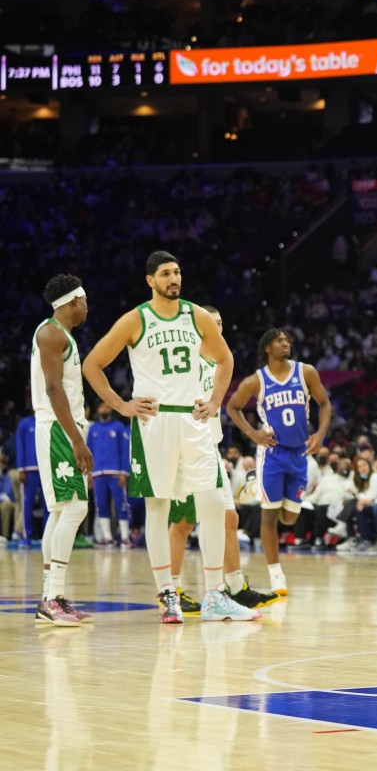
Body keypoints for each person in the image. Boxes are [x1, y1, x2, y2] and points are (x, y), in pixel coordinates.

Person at [82, 250, 254, 623]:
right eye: (165, 274)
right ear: (151, 281)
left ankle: (214, 596)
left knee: (211, 505)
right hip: (154, 423)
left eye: (177, 272)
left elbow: (225, 361)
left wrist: (215, 401)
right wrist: (121, 404)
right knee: (158, 510)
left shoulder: (198, 315)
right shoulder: (135, 319)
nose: (174, 279)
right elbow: (92, 363)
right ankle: (167, 594)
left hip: (192, 421)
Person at [167, 306, 279, 614]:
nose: (217, 328)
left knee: (229, 518)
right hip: (187, 448)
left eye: (220, 323)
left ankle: (234, 587)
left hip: (209, 446)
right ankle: (171, 590)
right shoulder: (186, 358)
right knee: (183, 522)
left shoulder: (219, 363)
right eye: (211, 323)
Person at [226, 328, 332, 594]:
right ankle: (276, 576)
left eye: (287, 340)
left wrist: (320, 433)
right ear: (267, 348)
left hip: (299, 455)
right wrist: (253, 433)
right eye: (279, 340)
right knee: (269, 515)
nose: (286, 343)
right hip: (272, 454)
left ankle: (262, 490)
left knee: (289, 518)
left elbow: (325, 404)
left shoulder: (306, 372)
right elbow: (232, 407)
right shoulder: (256, 381)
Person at [30, 275, 94, 626]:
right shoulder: (51, 332)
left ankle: (50, 597)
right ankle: (52, 598)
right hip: (57, 428)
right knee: (75, 507)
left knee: (59, 512)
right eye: (85, 301)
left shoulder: (59, 334)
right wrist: (77, 440)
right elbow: (54, 390)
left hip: (61, 427)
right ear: (73, 302)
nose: (87, 307)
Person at [86, 404, 131, 546]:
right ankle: (107, 538)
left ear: (111, 409)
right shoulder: (93, 429)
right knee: (101, 506)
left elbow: (125, 451)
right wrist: (88, 474)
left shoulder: (119, 427)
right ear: (97, 409)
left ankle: (125, 537)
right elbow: (89, 452)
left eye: (106, 407)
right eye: (101, 407)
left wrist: (124, 472)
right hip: (98, 474)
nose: (104, 409)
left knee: (121, 505)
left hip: (116, 473)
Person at [15, 412, 42, 545]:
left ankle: (47, 536)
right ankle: (27, 535)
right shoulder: (24, 423)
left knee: (50, 505)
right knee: (27, 504)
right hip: (29, 469)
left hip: (46, 468)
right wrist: (21, 468)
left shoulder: (49, 420)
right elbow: (19, 446)